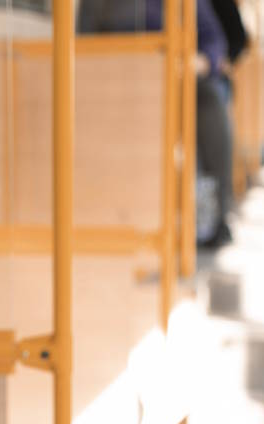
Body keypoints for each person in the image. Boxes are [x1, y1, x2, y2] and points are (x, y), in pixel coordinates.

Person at [77, 0, 236, 247]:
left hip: (176, 80)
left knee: (209, 99)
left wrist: (199, 62)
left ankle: (212, 213)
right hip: (116, 79)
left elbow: (214, 41)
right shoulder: (100, 6)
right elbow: (82, 45)